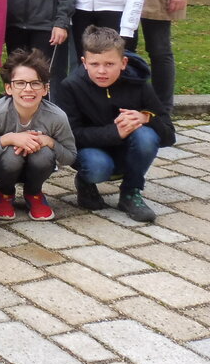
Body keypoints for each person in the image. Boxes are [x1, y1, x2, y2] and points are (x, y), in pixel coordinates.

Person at [53, 25, 173, 223]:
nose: (102, 71)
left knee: (147, 135)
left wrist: (146, 118)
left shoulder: (139, 83)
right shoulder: (71, 87)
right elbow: (71, 136)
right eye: (94, 64)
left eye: (109, 64)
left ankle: (130, 192)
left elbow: (169, 135)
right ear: (84, 63)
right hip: (91, 151)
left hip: (128, 150)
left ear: (123, 62)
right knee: (98, 166)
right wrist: (115, 132)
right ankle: (85, 182)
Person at [0, 48, 76, 222]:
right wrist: (7, 139)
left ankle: (34, 193)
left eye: (35, 83)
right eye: (20, 83)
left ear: (45, 88)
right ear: (9, 88)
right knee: (12, 155)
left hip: (38, 167)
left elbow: (70, 157)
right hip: (3, 168)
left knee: (44, 153)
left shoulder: (56, 116)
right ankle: (4, 193)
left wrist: (49, 141)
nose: (28, 89)